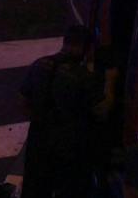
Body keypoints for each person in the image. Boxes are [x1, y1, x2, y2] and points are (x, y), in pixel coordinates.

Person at [19, 26, 106, 198]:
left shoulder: (39, 65)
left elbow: (23, 101)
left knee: (35, 188)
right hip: (68, 146)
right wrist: (110, 82)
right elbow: (101, 111)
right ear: (85, 48)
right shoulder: (83, 77)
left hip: (38, 140)